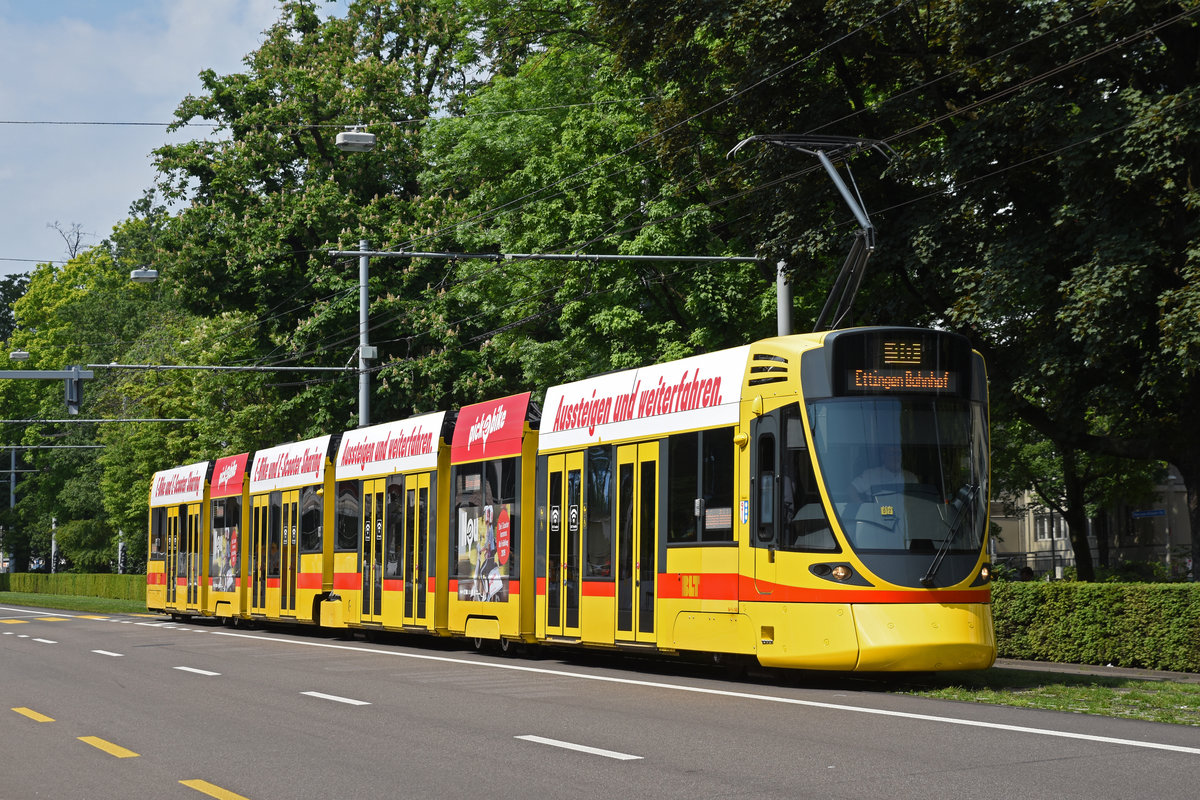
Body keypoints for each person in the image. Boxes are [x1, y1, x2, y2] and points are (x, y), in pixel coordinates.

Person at [852, 444, 917, 500]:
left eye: (898, 453)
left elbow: (917, 500)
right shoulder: (871, 474)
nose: (895, 457)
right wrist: (863, 507)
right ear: (884, 456)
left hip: (904, 513)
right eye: (891, 453)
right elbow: (852, 490)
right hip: (875, 513)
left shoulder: (910, 477)